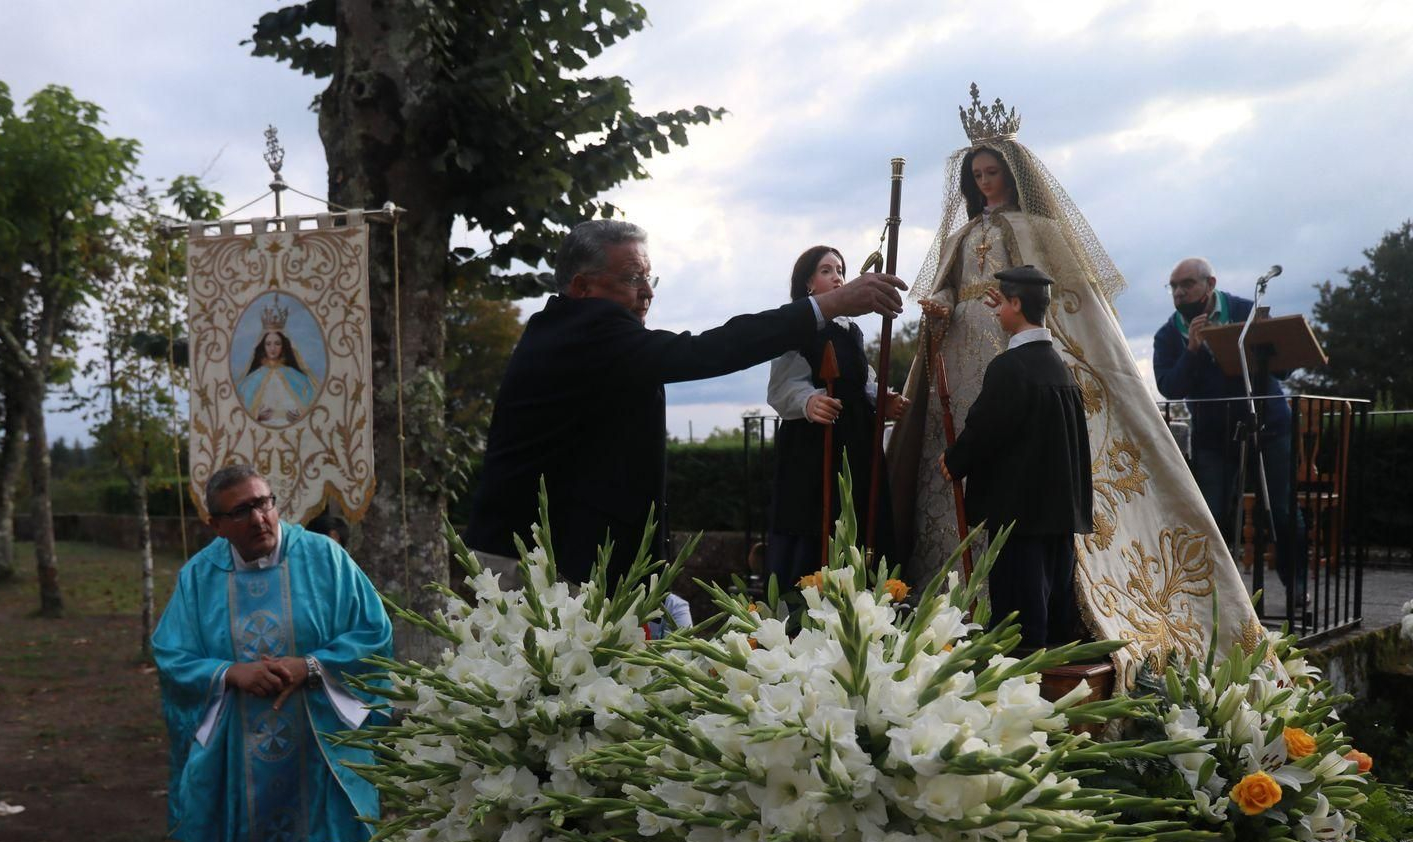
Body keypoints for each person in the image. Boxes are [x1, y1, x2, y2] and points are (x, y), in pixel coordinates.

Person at [889, 85, 1262, 686]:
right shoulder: (960, 236)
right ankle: (950, 597)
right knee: (965, 461)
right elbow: (946, 287)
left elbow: (1070, 299)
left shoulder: (1038, 230)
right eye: (976, 176)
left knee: (1014, 469)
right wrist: (940, 306)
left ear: (1012, 174)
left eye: (992, 173)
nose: (985, 183)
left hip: (1016, 357)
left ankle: (1027, 636)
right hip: (962, 358)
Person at [466, 219, 906, 584]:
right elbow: (706, 351)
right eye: (633, 278)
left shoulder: (571, 329)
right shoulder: (586, 332)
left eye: (649, 277)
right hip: (536, 564)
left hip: (560, 556)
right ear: (583, 287)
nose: (648, 291)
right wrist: (829, 305)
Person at [153, 465, 393, 842]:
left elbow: (374, 633)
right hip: (242, 771)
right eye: (241, 511)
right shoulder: (198, 577)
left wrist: (310, 666)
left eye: (265, 503)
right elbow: (171, 655)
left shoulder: (325, 560)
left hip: (322, 762)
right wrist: (227, 673)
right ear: (215, 524)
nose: (259, 518)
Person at [941, 266, 1091, 646]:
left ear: (1017, 304)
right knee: (1052, 615)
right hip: (1057, 517)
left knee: (1018, 623)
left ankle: (1019, 676)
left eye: (1003, 304)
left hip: (1019, 520)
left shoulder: (1009, 368)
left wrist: (955, 461)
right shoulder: (1060, 369)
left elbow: (986, 427)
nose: (997, 313)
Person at [1153, 256, 1304, 605]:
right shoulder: (1168, 335)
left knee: (1282, 510)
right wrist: (1192, 350)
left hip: (1268, 425)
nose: (1179, 292)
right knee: (1213, 514)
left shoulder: (1245, 311)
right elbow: (1170, 387)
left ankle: (1296, 587)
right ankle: (1217, 596)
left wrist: (1265, 342)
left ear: (1210, 284)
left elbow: (1284, 368)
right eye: (1173, 286)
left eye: (1187, 284)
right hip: (1213, 435)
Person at [764, 245, 909, 592]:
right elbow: (782, 385)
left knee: (861, 516)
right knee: (818, 521)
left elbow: (861, 379)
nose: (837, 277)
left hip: (857, 441)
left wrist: (882, 399)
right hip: (815, 444)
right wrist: (809, 400)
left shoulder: (849, 330)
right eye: (826, 270)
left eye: (840, 270)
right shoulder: (797, 324)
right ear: (808, 282)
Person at [238, 298, 318, 428]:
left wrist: (300, 417)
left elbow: (311, 409)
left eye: (277, 343)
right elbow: (242, 412)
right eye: (268, 344)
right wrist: (256, 416)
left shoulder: (297, 377)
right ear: (263, 346)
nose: (272, 348)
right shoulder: (251, 380)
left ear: (283, 346)